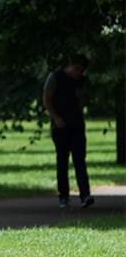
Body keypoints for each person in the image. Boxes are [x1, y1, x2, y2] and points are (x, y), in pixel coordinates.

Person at [43, 54, 93, 209]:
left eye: (81, 71)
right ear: (69, 64)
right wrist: (56, 118)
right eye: (76, 69)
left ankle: (85, 194)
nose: (77, 73)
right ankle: (63, 196)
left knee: (79, 159)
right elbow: (46, 99)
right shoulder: (55, 77)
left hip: (76, 124)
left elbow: (80, 100)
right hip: (60, 125)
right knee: (62, 160)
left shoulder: (81, 81)